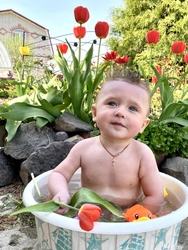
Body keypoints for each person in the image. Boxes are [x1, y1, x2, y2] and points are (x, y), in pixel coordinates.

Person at [48, 69, 164, 214]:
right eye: (112, 103)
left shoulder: (142, 154)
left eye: (132, 108)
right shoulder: (83, 149)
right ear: (95, 113)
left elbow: (155, 196)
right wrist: (61, 193)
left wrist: (132, 217)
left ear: (143, 125)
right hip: (87, 214)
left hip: (127, 215)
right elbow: (58, 174)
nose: (120, 112)